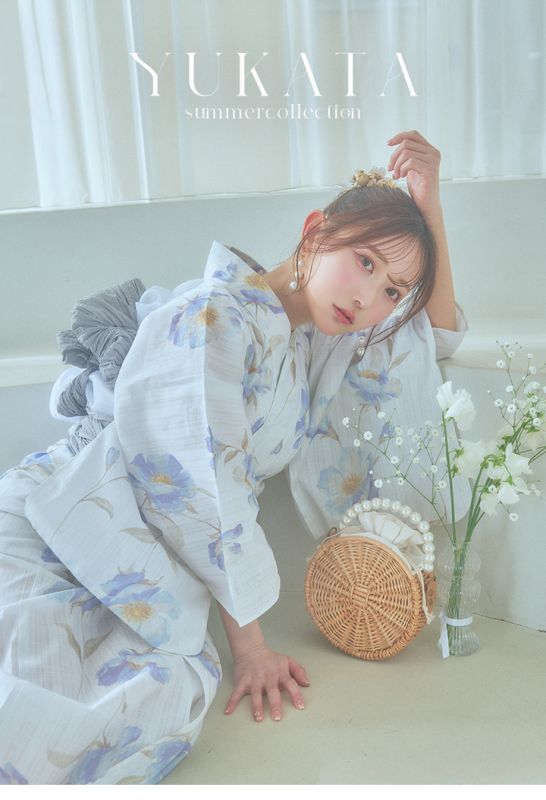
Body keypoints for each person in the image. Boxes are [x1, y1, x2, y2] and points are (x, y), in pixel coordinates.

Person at [0, 131, 471, 784]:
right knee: (42, 687)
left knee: (165, 691)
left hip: (135, 553)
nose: (370, 299)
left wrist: (430, 205)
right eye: (364, 262)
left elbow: (435, 334)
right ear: (315, 233)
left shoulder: (310, 340)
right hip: (57, 519)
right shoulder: (215, 315)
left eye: (392, 290)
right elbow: (202, 482)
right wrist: (250, 649)